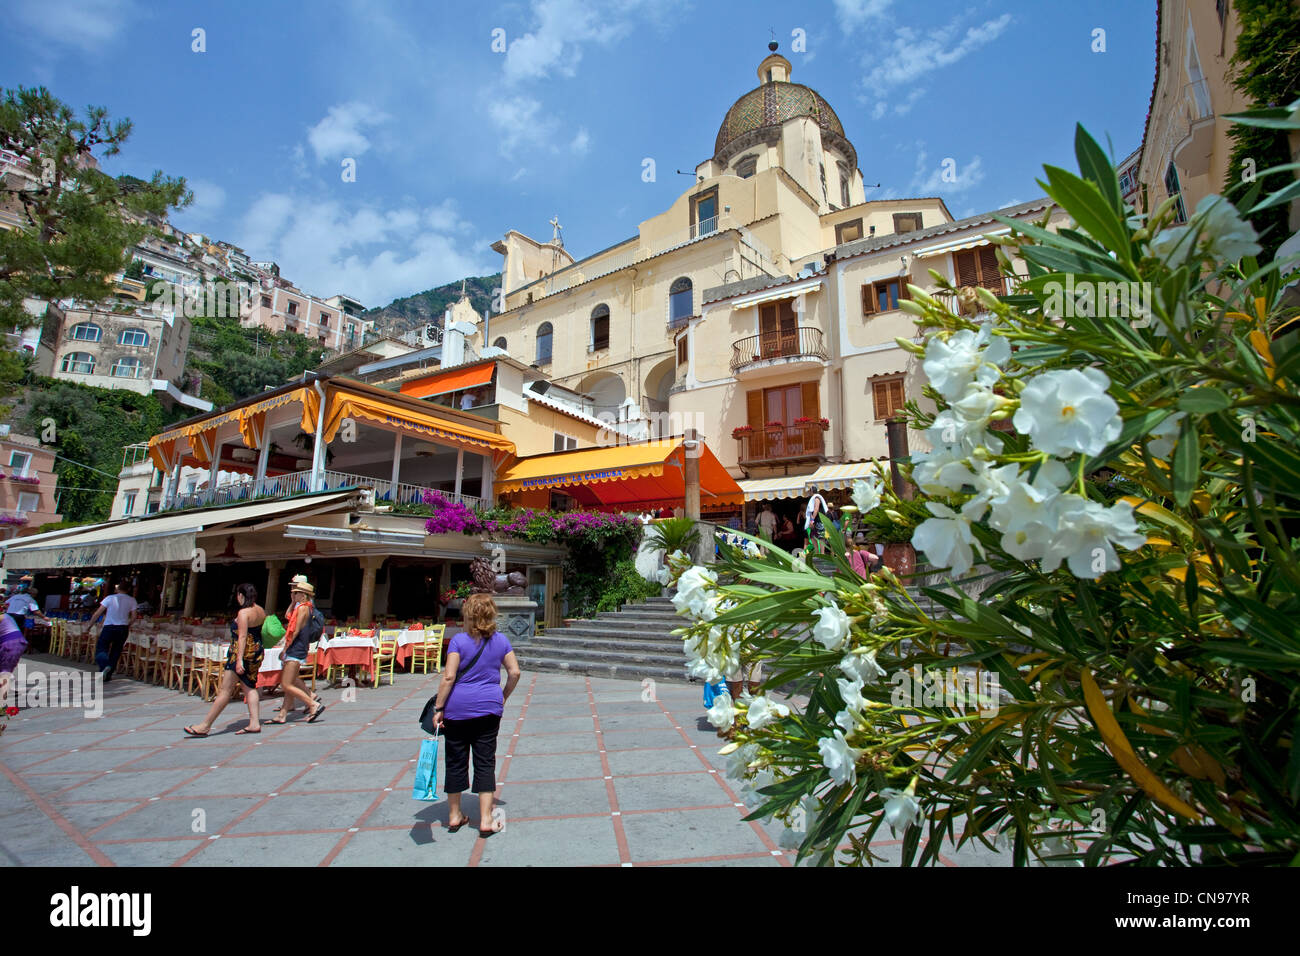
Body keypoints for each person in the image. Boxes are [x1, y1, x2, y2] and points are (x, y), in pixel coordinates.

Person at [430, 593, 521, 837]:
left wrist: (438, 708)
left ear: (468, 615)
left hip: (457, 710)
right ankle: (486, 819)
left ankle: (454, 815)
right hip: (489, 708)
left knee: (455, 760)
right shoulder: (501, 641)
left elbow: (449, 677)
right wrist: (503, 696)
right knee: (485, 760)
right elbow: (515, 672)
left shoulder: (459, 641)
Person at [184, 583, 273, 737]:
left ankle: (205, 725)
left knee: (225, 690)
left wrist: (239, 660)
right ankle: (254, 722)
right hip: (256, 652)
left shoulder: (243, 613)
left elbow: (242, 636)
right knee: (249, 687)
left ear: (241, 595)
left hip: (241, 654)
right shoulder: (260, 610)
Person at [272, 580, 323, 722]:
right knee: (291, 681)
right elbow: (288, 615)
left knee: (286, 684)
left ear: (303, 595)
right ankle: (282, 715)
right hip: (297, 647)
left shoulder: (303, 609)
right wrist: (292, 601)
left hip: (296, 648)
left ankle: (313, 703)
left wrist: (285, 648)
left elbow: (295, 630)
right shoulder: (300, 607)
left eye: (296, 593)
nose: (293, 594)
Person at [88, 581, 138, 681]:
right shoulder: (132, 600)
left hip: (109, 627)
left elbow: (98, 613)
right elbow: (134, 616)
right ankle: (108, 673)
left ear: (117, 589)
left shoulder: (110, 598)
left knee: (102, 648)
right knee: (116, 650)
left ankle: (104, 666)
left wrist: (90, 625)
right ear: (128, 590)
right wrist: (128, 624)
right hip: (122, 628)